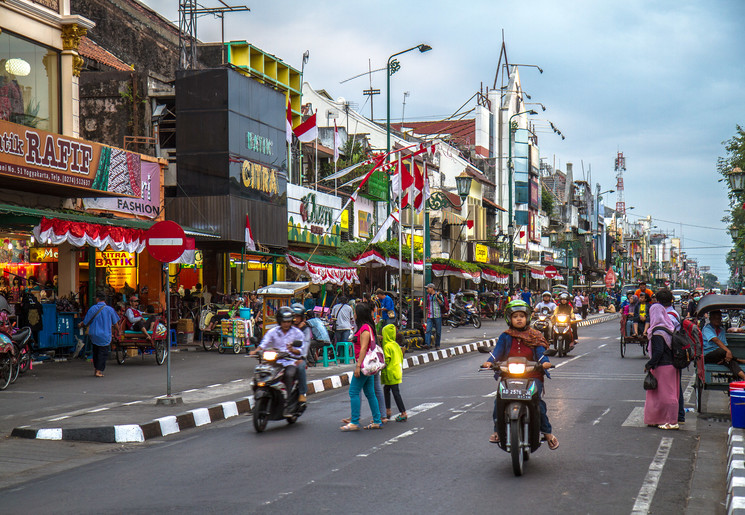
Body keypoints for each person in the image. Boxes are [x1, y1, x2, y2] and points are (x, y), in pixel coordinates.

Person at [482, 300, 558, 450]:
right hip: (509, 375)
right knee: (498, 401)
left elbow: (541, 354)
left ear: (528, 317)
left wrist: (545, 362)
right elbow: (497, 353)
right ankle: (497, 430)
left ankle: (547, 433)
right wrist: (489, 362)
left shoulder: (535, 335)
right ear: (509, 318)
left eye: (522, 316)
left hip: (533, 376)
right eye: (515, 316)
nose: (518, 319)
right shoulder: (505, 336)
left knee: (538, 403)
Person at [250, 306, 305, 414]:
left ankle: (288, 403)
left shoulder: (297, 333)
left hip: (289, 361)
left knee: (289, 374)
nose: (286, 324)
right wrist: (256, 351)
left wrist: (292, 350)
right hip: (274, 362)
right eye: (284, 322)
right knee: (258, 375)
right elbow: (264, 343)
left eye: (289, 322)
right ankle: (256, 403)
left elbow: (300, 350)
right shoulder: (273, 331)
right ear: (280, 321)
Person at [340, 302, 383, 431]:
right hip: (368, 365)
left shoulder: (364, 328)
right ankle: (377, 420)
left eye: (355, 312)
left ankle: (354, 421)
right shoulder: (368, 327)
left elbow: (364, 348)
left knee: (353, 391)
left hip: (364, 364)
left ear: (359, 314)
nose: (354, 315)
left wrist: (358, 366)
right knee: (370, 393)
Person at [644, 302, 681, 429]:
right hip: (670, 365)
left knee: (667, 396)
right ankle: (658, 419)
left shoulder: (657, 332)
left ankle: (671, 422)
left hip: (664, 366)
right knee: (660, 395)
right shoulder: (668, 328)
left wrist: (649, 364)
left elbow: (658, 351)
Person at [79, 292, 120, 378]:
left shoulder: (92, 308)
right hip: (104, 335)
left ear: (97, 299)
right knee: (102, 353)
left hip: (94, 334)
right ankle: (99, 371)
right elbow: (115, 323)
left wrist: (80, 324)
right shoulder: (110, 309)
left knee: (96, 352)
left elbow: (86, 321)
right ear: (104, 299)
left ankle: (96, 369)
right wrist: (118, 331)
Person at [702, 310, 745, 381]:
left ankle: (743, 377)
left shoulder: (721, 330)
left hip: (721, 356)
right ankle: (738, 360)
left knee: (729, 360)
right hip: (708, 355)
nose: (717, 320)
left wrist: (726, 356)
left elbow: (724, 344)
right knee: (723, 351)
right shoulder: (707, 329)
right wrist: (728, 352)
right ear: (710, 319)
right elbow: (716, 340)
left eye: (719, 318)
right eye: (715, 318)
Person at [381, 324, 407, 422]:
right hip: (397, 371)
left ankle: (403, 412)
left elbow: (386, 360)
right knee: (387, 389)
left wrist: (379, 367)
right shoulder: (396, 345)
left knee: (395, 392)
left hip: (390, 373)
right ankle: (387, 410)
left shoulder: (387, 346)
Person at [290, 303, 310, 403]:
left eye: (298, 316)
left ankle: (302, 392)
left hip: (299, 357)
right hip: (285, 356)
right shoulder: (286, 327)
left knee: (301, 367)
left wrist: (301, 356)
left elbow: (305, 344)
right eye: (294, 316)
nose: (296, 319)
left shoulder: (305, 330)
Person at [424, 283, 444, 350]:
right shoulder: (428, 296)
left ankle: (437, 344)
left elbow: (442, 304)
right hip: (430, 315)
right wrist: (426, 316)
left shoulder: (438, 295)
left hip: (437, 315)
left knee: (438, 331)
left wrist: (437, 298)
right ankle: (427, 344)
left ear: (432, 288)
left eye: (428, 288)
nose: (427, 290)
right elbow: (427, 306)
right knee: (428, 330)